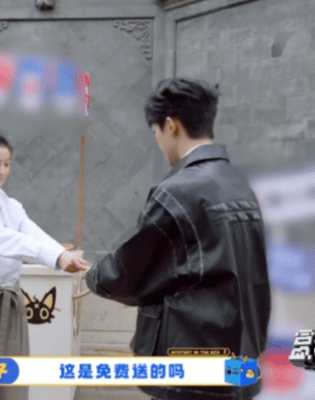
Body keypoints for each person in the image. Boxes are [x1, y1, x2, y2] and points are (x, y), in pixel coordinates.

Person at [84, 78, 271, 400]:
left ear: (170, 126)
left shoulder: (178, 192)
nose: (159, 141)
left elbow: (132, 272)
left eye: (156, 132)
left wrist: (94, 274)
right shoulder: (240, 185)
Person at [0, 131, 88, 400]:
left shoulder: (11, 206)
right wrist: (57, 258)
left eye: (7, 164)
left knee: (12, 387)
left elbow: (33, 233)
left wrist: (62, 254)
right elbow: (7, 240)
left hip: (10, 303)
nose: (2, 171)